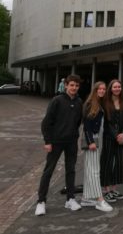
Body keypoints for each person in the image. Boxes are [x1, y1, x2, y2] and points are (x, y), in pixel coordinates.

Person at [35, 74, 83, 216]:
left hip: (71, 142)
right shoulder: (57, 100)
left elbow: (78, 121)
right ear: (66, 85)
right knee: (48, 171)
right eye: (72, 85)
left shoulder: (79, 102)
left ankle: (70, 199)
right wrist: (47, 141)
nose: (74, 87)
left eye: (76, 85)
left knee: (71, 170)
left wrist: (73, 135)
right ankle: (41, 202)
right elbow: (46, 123)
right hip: (55, 142)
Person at [80, 81, 113, 212]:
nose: (102, 91)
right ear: (95, 90)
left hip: (98, 138)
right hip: (93, 139)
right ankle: (99, 200)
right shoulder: (90, 104)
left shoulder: (100, 103)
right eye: (99, 89)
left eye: (104, 89)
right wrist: (90, 142)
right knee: (94, 171)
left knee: (90, 169)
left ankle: (87, 198)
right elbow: (86, 126)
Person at [100, 79, 123, 203]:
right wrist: (116, 135)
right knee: (106, 162)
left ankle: (113, 189)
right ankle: (106, 190)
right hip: (109, 137)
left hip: (122, 137)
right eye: (114, 87)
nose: (117, 89)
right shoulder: (105, 102)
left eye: (119, 87)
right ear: (110, 88)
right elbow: (106, 122)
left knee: (119, 162)